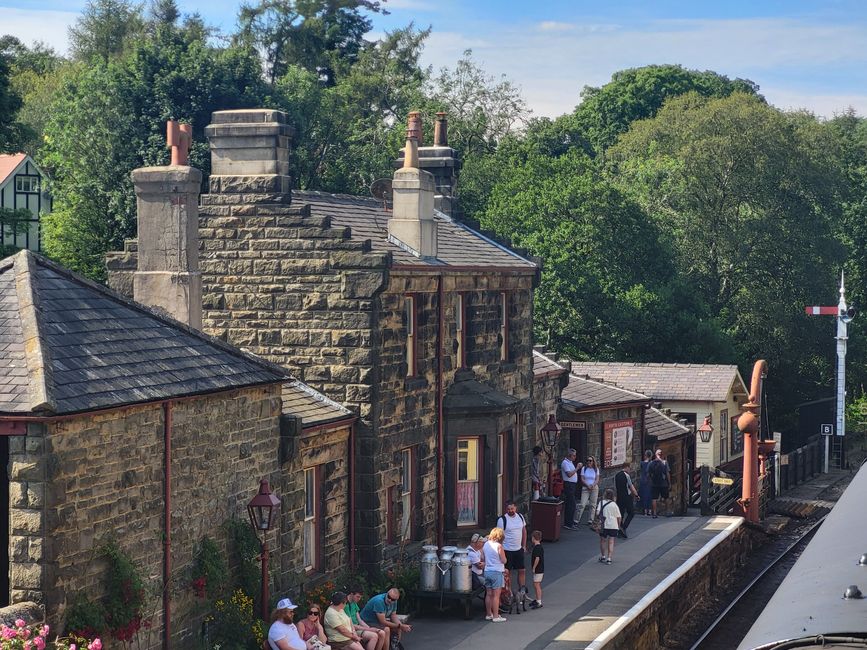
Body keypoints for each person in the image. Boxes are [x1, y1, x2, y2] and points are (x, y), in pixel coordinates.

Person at [496, 499, 527, 595]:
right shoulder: (502, 520)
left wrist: (524, 545)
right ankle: (508, 591)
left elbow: (524, 531)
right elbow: (499, 536)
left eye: (512, 508)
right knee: (507, 572)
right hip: (507, 550)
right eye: (508, 509)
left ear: (516, 508)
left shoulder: (521, 517)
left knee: (521, 570)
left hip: (518, 549)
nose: (510, 511)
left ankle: (522, 590)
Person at [482, 527, 508, 622]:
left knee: (489, 594)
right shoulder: (499, 546)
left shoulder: (485, 545)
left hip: (487, 571)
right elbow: (503, 560)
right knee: (496, 595)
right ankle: (496, 616)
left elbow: (482, 557)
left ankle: (489, 614)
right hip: (497, 572)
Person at [596, 488, 622, 565]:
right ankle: (609, 558)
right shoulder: (614, 505)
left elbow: (597, 513)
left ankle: (603, 556)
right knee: (611, 541)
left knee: (603, 540)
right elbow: (619, 517)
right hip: (613, 525)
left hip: (603, 525)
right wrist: (618, 525)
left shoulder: (601, 503)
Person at [614, 461, 639, 538]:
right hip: (626, 497)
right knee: (631, 513)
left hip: (619, 497)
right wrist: (636, 495)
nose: (630, 470)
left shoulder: (617, 475)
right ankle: (623, 528)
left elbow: (615, 487)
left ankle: (619, 529)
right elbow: (631, 487)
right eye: (630, 468)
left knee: (620, 514)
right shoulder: (626, 476)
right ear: (627, 467)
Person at [576, 456, 600, 526]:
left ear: (593, 462)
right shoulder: (584, 468)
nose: (588, 462)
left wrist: (593, 485)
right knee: (582, 504)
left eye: (590, 461)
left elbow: (597, 479)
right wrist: (587, 485)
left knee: (593, 505)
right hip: (585, 488)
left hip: (594, 488)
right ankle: (576, 520)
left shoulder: (596, 469)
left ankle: (590, 520)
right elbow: (582, 479)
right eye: (587, 460)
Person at [560, 449, 581, 530]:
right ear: (569, 455)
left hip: (572, 484)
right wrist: (577, 468)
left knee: (571, 504)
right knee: (571, 504)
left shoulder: (570, 462)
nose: (575, 457)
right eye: (574, 455)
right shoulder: (565, 463)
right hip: (568, 484)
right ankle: (568, 523)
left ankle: (570, 522)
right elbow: (569, 474)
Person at [650, 449, 672, 518]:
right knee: (666, 498)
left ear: (655, 455)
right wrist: (669, 483)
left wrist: (651, 481)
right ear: (662, 455)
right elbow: (667, 473)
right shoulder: (664, 462)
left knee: (654, 499)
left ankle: (654, 513)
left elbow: (649, 474)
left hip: (654, 484)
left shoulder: (651, 463)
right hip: (663, 483)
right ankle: (667, 512)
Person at [529, 530, 544, 609]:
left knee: (536, 584)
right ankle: (538, 600)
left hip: (538, 569)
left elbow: (537, 558)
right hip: (540, 569)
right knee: (536, 584)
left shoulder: (537, 548)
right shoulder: (539, 547)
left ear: (533, 538)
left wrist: (534, 567)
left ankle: (539, 601)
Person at [639, 450, 653, 515]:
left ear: (645, 455)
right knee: (650, 495)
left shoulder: (642, 463)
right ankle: (649, 510)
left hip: (643, 480)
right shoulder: (652, 463)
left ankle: (645, 511)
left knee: (644, 495)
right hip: (650, 481)